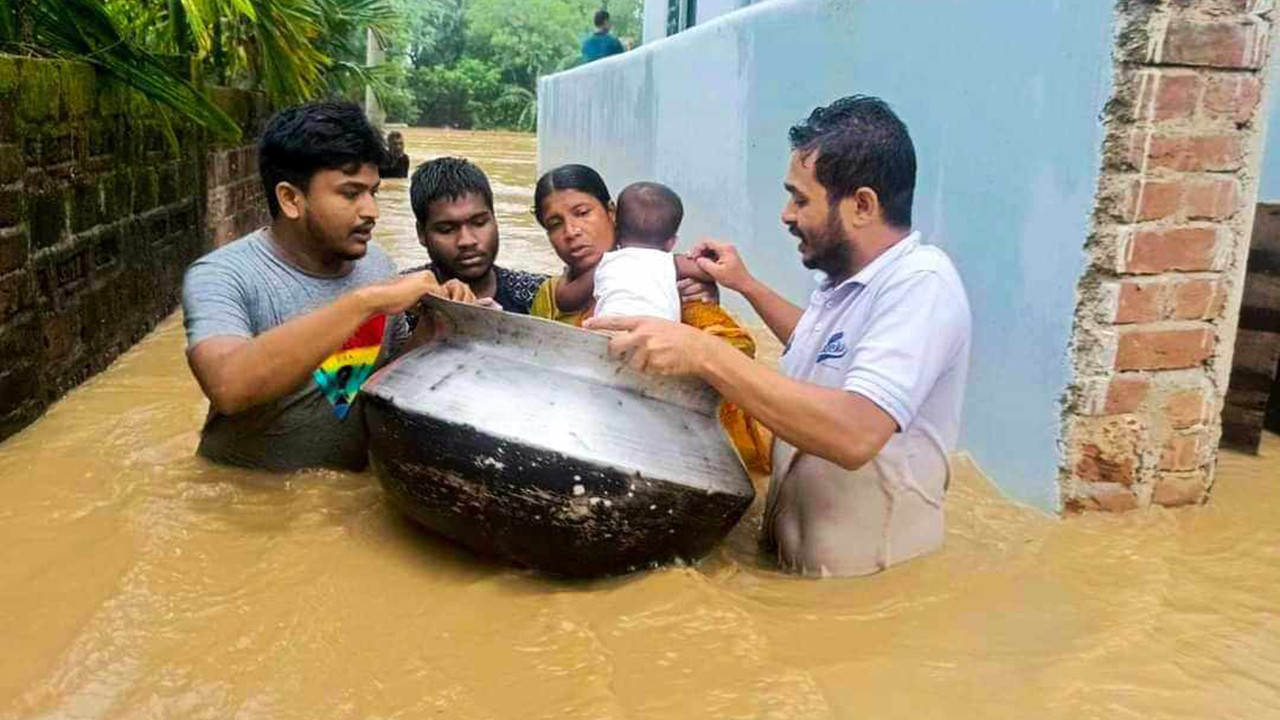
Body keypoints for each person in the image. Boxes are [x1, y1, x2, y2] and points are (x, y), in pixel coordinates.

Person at [586, 96, 973, 577]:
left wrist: (705, 353)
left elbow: (856, 433)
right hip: (797, 576)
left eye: (801, 198)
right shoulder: (844, 285)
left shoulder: (921, 283)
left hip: (859, 599)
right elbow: (820, 351)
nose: (786, 214)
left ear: (862, 205)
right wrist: (745, 285)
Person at [181, 101, 472, 472]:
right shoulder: (224, 274)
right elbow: (228, 387)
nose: (372, 211)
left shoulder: (378, 264)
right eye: (351, 194)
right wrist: (368, 302)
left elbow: (371, 383)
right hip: (243, 503)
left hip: (339, 499)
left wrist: (437, 326)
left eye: (374, 192)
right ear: (290, 199)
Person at [531, 164, 772, 475]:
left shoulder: (680, 289)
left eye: (582, 212)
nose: (572, 232)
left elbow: (737, 357)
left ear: (612, 212)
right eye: (554, 223)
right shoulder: (548, 295)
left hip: (666, 456)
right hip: (578, 443)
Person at [405, 157, 548, 314]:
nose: (467, 241)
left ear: (495, 219)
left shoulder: (540, 296)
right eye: (447, 229)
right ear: (421, 233)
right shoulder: (399, 301)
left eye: (479, 223)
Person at [553, 181, 713, 321]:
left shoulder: (606, 262)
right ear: (670, 243)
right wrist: (706, 258)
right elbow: (711, 270)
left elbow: (565, 300)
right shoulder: (672, 262)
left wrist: (567, 274)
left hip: (607, 332)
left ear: (616, 230)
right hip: (658, 337)